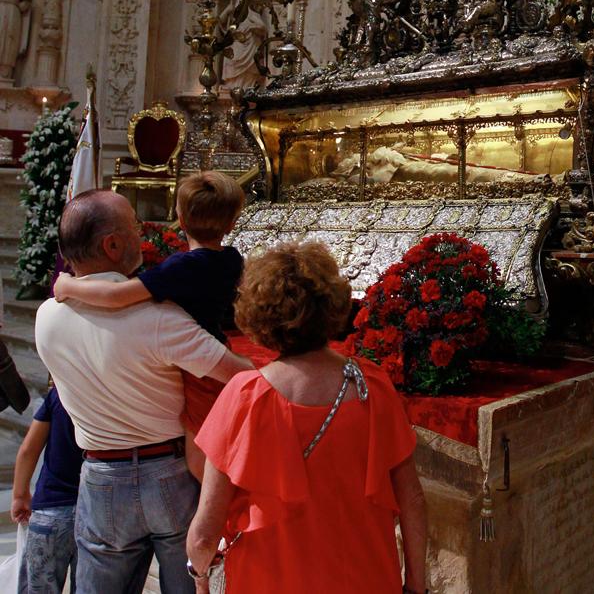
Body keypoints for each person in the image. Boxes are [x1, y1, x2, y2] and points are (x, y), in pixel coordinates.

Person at [35, 189, 252, 594]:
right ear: (113, 245)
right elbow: (239, 375)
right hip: (170, 472)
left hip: (100, 476)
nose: (143, 233)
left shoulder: (47, 316)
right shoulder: (159, 319)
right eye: (134, 226)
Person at [186, 241, 428, 594]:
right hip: (366, 578)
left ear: (258, 315)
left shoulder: (245, 397)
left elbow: (206, 533)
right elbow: (413, 500)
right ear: (332, 305)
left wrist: (200, 581)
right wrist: (417, 586)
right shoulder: (372, 386)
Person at [54, 171, 245, 482]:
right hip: (218, 342)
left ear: (180, 220)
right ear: (232, 223)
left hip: (201, 363)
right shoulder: (232, 258)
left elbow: (117, 296)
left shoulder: (183, 267)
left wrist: (67, 286)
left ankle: (213, 507)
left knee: (199, 442)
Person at [11, 386, 83, 594]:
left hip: (50, 513)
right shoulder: (109, 394)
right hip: (94, 513)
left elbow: (28, 450)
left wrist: (20, 495)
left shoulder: (59, 394)